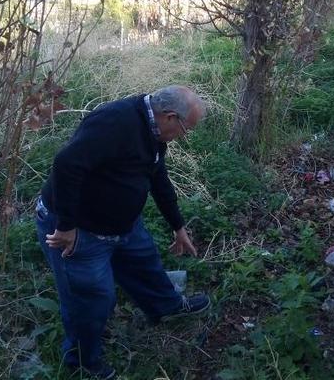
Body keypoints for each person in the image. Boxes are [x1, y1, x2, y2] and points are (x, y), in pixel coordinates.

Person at [36, 85, 210, 379]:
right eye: (185, 130)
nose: (184, 137)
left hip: (123, 226)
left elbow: (158, 178)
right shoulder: (115, 122)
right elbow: (66, 164)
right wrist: (65, 226)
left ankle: (165, 307)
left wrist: (178, 226)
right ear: (169, 117)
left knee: (145, 265)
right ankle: (82, 361)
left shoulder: (153, 132)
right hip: (79, 230)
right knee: (91, 298)